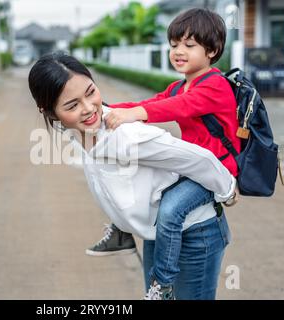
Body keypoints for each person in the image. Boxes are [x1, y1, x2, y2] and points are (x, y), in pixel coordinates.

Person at [28, 52, 236, 299]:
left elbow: (199, 159)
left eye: (91, 92)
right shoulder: (80, 134)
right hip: (158, 234)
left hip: (195, 233)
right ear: (50, 112)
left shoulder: (125, 137)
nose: (88, 108)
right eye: (72, 105)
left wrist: (227, 189)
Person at [86, 8, 241, 297]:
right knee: (143, 195)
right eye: (173, 45)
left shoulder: (215, 86)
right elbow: (154, 101)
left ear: (213, 50)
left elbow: (175, 108)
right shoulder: (180, 85)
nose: (178, 51)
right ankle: (122, 233)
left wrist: (135, 114)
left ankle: (163, 283)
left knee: (171, 210)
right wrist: (104, 110)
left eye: (189, 45)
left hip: (215, 170)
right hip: (191, 167)